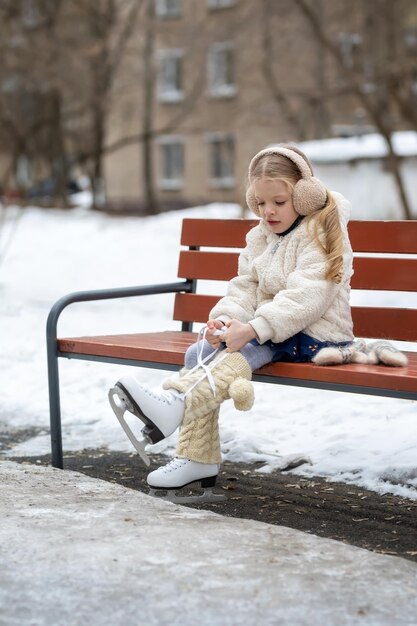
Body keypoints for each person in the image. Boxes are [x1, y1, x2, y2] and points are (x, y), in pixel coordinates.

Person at [109, 144, 356, 495]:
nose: (267, 211)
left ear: (304, 196)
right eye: (260, 203)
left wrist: (253, 329)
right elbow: (244, 287)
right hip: (273, 330)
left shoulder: (324, 233)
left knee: (243, 349)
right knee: (200, 356)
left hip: (316, 334)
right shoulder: (260, 236)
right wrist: (225, 323)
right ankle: (198, 459)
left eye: (279, 203)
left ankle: (174, 405)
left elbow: (309, 295)